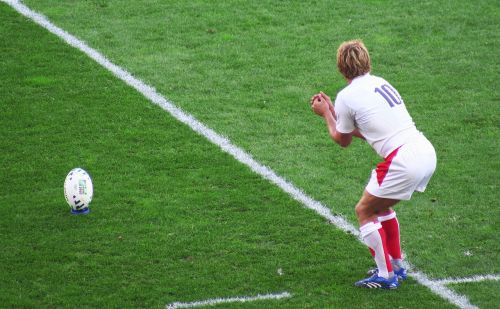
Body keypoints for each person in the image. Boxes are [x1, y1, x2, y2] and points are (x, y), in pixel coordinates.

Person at [310, 39, 436, 289]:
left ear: (341, 68)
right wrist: (336, 113)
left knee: (364, 211)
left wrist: (325, 114)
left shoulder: (347, 95)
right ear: (367, 60)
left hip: (403, 159)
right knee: (380, 207)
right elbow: (369, 130)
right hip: (424, 150)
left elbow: (342, 139)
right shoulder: (382, 83)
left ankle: (385, 275)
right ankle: (396, 265)